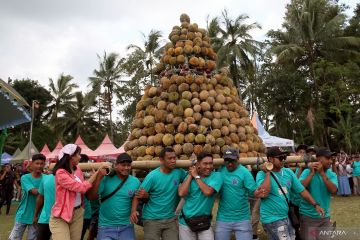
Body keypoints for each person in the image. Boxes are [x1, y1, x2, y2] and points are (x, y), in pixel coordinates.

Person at [256, 147, 324, 240]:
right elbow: (264, 193)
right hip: (272, 219)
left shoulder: (288, 172)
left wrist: (315, 204)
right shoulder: (261, 174)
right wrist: (267, 173)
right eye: (280, 158)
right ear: (271, 159)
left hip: (285, 216)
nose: (283, 160)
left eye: (284, 157)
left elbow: (302, 190)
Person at [131, 147, 186, 240]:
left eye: (174, 158)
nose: (173, 161)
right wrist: (133, 211)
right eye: (169, 158)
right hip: (152, 219)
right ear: (161, 160)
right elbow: (138, 195)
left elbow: (189, 178)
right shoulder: (152, 176)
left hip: (170, 219)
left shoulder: (179, 172)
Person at [49, 144, 103, 240]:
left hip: (78, 213)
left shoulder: (77, 170)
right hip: (61, 215)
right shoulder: (60, 173)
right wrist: (95, 175)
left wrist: (95, 178)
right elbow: (81, 188)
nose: (80, 157)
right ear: (70, 156)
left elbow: (84, 190)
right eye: (78, 154)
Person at [87, 153, 140, 239]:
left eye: (128, 165)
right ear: (116, 166)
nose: (126, 168)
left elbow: (136, 197)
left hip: (126, 226)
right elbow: (91, 197)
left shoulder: (135, 182)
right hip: (106, 226)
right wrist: (99, 178)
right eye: (123, 165)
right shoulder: (106, 178)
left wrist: (134, 210)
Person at [215, 149, 262, 240]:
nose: (229, 164)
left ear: (238, 159)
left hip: (242, 219)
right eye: (227, 161)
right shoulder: (220, 171)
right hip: (223, 218)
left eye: (232, 160)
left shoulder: (245, 172)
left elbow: (253, 192)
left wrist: (257, 192)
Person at [178, 152, 223, 240]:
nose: (209, 167)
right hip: (186, 221)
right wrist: (191, 176)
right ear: (198, 164)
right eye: (205, 163)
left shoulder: (217, 176)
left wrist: (196, 176)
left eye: (210, 163)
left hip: (204, 221)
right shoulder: (190, 176)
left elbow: (208, 192)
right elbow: (181, 193)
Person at [299, 147, 339, 240]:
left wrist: (322, 173)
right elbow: (299, 188)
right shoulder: (307, 171)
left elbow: (334, 190)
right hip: (307, 216)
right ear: (319, 159)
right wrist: (311, 174)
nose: (330, 161)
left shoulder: (332, 174)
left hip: (325, 217)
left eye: (331, 158)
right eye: (328, 158)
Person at [9, 154, 46, 240]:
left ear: (44, 164)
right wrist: (46, 188)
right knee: (14, 238)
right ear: (32, 164)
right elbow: (34, 192)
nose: (39, 166)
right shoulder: (25, 177)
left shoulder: (46, 178)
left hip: (37, 216)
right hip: (23, 214)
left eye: (42, 163)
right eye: (37, 163)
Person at [33, 171, 55, 240]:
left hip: (62, 218)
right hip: (45, 218)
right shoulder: (46, 178)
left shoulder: (71, 178)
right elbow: (40, 197)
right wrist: (36, 215)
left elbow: (40, 197)